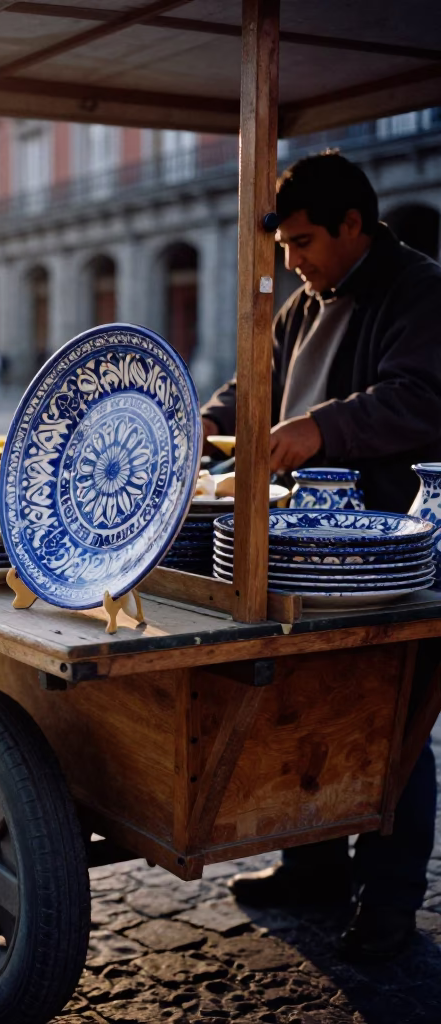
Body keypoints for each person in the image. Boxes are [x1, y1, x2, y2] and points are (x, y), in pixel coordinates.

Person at [202, 151, 441, 961]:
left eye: (304, 242)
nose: (294, 261)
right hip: (302, 546)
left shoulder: (420, 288)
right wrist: (209, 418)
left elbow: (421, 396)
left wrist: (321, 428)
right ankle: (311, 865)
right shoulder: (303, 303)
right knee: (303, 706)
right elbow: (257, 385)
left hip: (387, 548)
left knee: (392, 724)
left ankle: (390, 899)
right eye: (284, 248)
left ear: (353, 224)